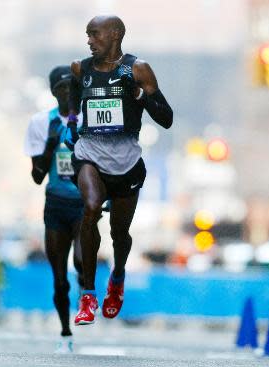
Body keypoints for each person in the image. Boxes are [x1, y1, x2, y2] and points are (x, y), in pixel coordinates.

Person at [65, 15, 173, 326]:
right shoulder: (80, 68)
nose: (89, 41)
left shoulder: (137, 69)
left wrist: (139, 95)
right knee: (91, 207)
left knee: (119, 233)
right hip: (90, 154)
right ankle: (87, 295)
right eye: (87, 35)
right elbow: (74, 89)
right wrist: (73, 120)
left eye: (94, 35)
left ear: (114, 35)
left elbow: (166, 118)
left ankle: (118, 276)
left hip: (125, 159)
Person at [24, 66, 84, 353]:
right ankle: (65, 333)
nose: (66, 93)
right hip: (56, 204)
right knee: (60, 279)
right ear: (52, 91)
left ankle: (88, 291)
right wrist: (50, 146)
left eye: (71, 87)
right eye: (60, 88)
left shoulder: (88, 119)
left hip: (84, 203)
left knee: (82, 263)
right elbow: (36, 177)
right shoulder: (40, 122)